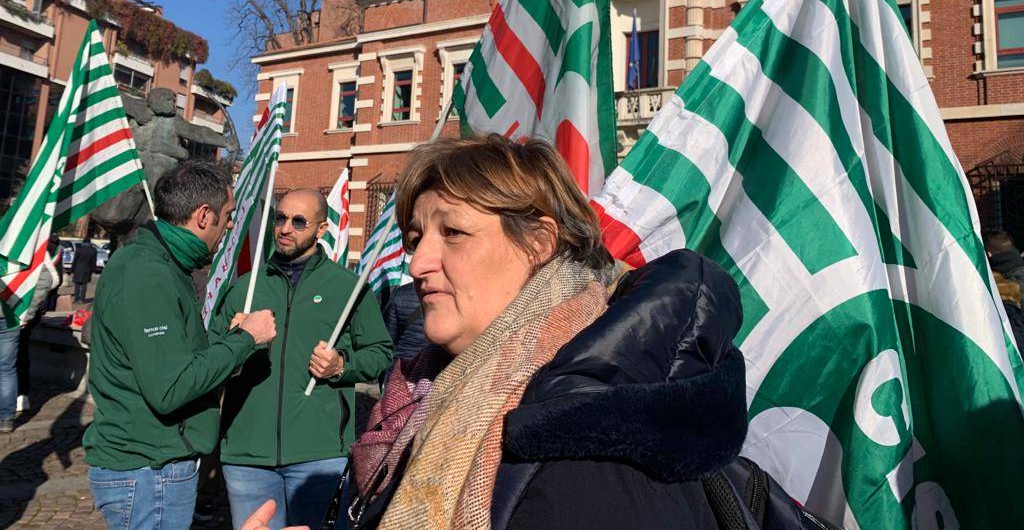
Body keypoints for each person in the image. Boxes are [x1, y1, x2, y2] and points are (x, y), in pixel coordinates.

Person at [331, 135, 832, 530]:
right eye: (415, 238)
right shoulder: (422, 396)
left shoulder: (594, 435)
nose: (417, 264)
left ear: (539, 243)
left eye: (453, 233)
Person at [84, 160, 277, 530]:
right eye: (229, 215)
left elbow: (174, 362)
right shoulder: (149, 272)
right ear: (204, 216)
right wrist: (245, 339)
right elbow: (170, 388)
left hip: (152, 464)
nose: (232, 224)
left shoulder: (164, 264)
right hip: (148, 468)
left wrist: (228, 341)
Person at [211, 188, 393, 530]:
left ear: (321, 229)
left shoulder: (348, 287)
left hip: (319, 455)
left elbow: (380, 352)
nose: (285, 228)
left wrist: (342, 365)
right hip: (247, 454)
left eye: (299, 221)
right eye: (280, 218)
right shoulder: (244, 288)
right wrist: (235, 341)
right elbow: (209, 358)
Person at [15, 249, 55, 415]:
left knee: (16, 356)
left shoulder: (34, 245)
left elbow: (51, 278)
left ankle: (20, 395)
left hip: (20, 313)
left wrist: (28, 310)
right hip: (19, 312)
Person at [381, 281, 426, 363]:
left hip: (400, 364)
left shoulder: (401, 292)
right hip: (429, 366)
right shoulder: (448, 296)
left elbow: (387, 338)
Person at [71, 235, 97, 304]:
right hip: (87, 269)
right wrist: (94, 270)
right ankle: (82, 299)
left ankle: (76, 299)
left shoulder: (79, 249)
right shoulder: (93, 250)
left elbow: (75, 260)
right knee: (84, 285)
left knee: (77, 284)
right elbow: (94, 262)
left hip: (78, 268)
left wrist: (72, 269)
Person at [44, 232, 63, 312]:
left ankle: (44, 311)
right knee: (53, 296)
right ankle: (51, 311)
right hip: (59, 275)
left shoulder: (46, 248)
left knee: (45, 295)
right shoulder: (59, 249)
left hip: (48, 274)